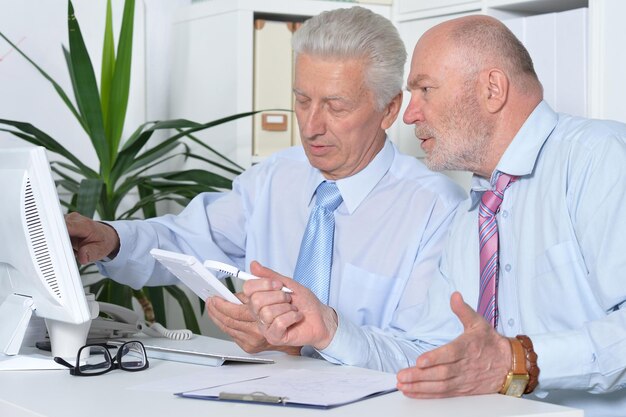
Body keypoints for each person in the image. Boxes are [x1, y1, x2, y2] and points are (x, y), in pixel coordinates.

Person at [66, 7, 465, 372]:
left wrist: (319, 335)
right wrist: (111, 239)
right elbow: (185, 240)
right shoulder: (276, 174)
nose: (311, 126)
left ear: (390, 110)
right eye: (302, 99)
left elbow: (428, 356)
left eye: (336, 106)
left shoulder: (438, 209)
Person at [392, 14, 626, 416]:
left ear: (493, 89)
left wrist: (519, 360)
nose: (410, 114)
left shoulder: (600, 157)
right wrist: (329, 331)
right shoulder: (476, 212)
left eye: (425, 89)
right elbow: (430, 351)